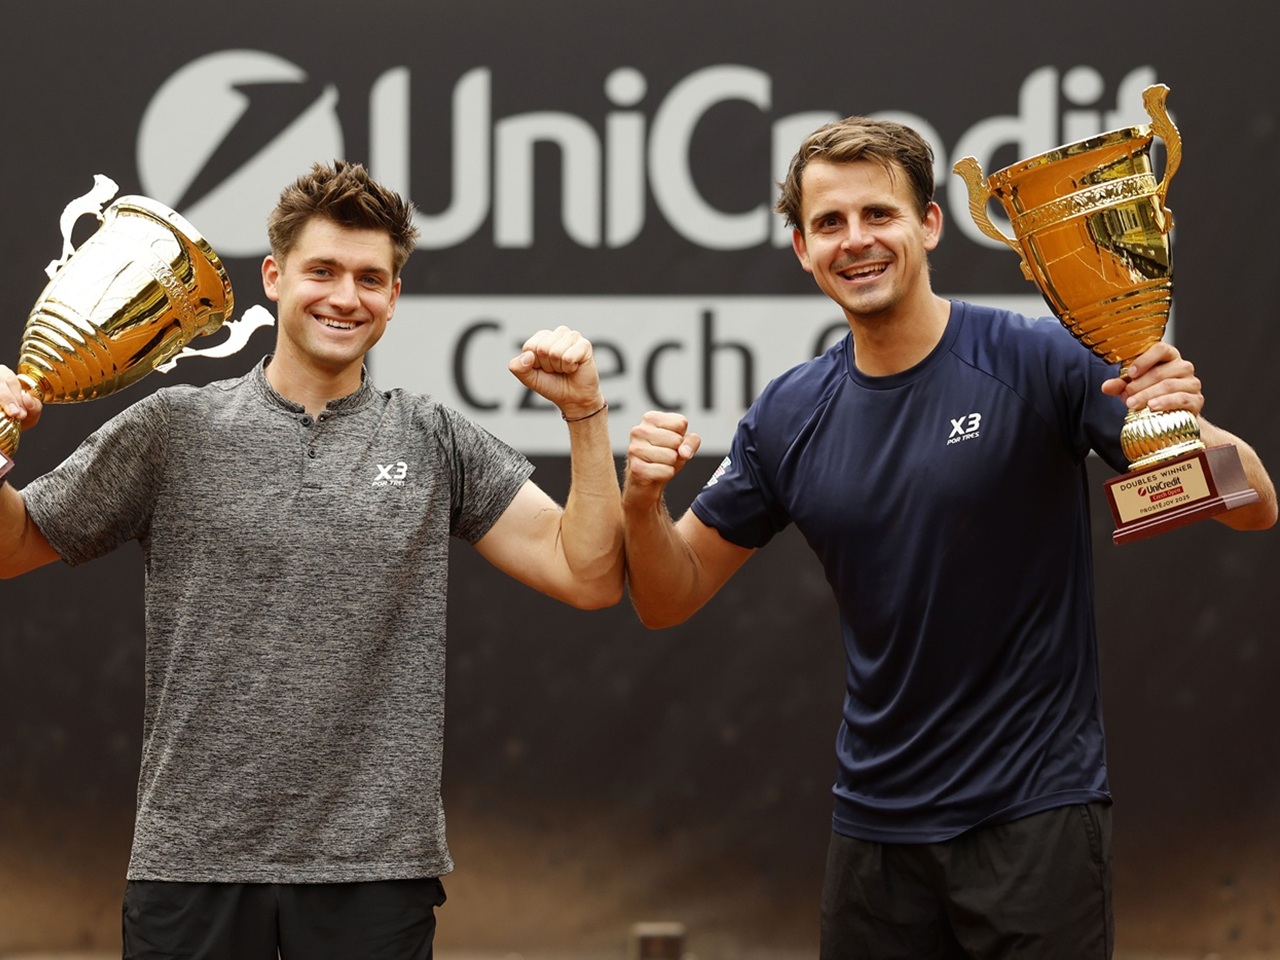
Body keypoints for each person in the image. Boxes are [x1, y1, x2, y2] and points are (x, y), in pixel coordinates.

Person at [621, 117, 1277, 959]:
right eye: (830, 223)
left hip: (1034, 819)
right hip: (874, 838)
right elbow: (667, 597)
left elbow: (1252, 505)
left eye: (879, 214)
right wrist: (642, 501)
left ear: (928, 224)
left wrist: (1179, 423)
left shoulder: (1043, 358)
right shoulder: (786, 415)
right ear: (802, 248)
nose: (856, 240)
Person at [0, 161, 623, 959]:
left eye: (370, 278)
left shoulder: (432, 438)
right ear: (274, 277)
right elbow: (15, 545)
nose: (345, 297)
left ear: (394, 297)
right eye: (322, 271)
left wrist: (585, 414)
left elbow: (587, 574)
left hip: (373, 875)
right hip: (191, 866)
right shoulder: (174, 427)